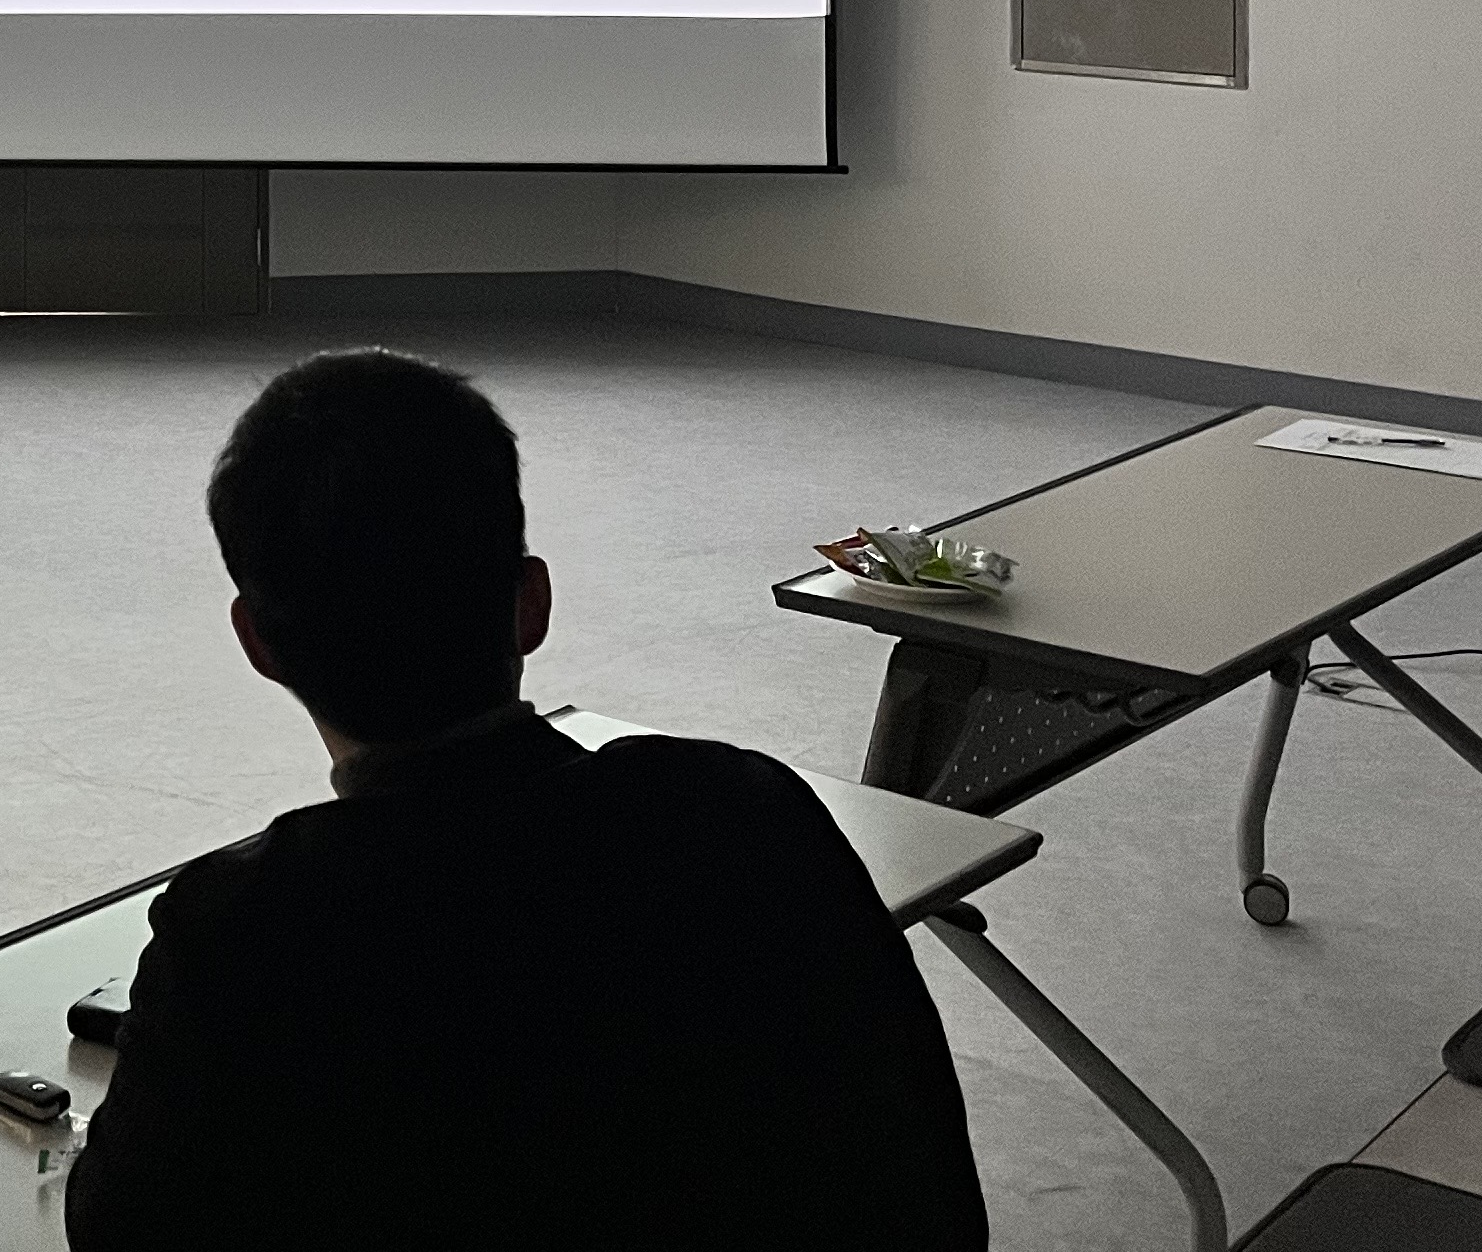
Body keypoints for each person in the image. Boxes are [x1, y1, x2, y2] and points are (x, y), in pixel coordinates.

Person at [68, 349, 986, 1250]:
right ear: (531, 604)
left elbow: (122, 1228)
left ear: (258, 644)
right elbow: (931, 1194)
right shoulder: (747, 816)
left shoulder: (242, 933)